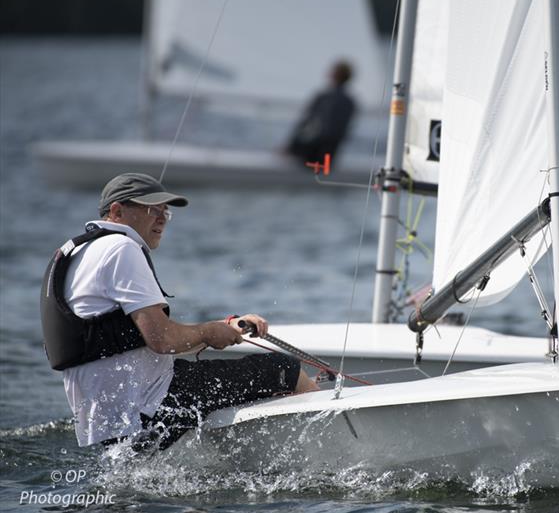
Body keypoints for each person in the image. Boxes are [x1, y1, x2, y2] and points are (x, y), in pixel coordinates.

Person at [40, 173, 319, 450]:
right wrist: (210, 332)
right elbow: (162, 340)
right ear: (116, 211)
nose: (161, 218)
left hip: (110, 418)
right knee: (285, 369)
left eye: (165, 212)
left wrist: (224, 327)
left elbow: (130, 339)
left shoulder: (79, 252)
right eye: (152, 209)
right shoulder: (121, 248)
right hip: (149, 402)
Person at [285, 60, 357, 166]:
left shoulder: (324, 97)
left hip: (313, 148)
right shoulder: (350, 102)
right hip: (330, 150)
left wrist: (292, 144)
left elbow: (307, 121)